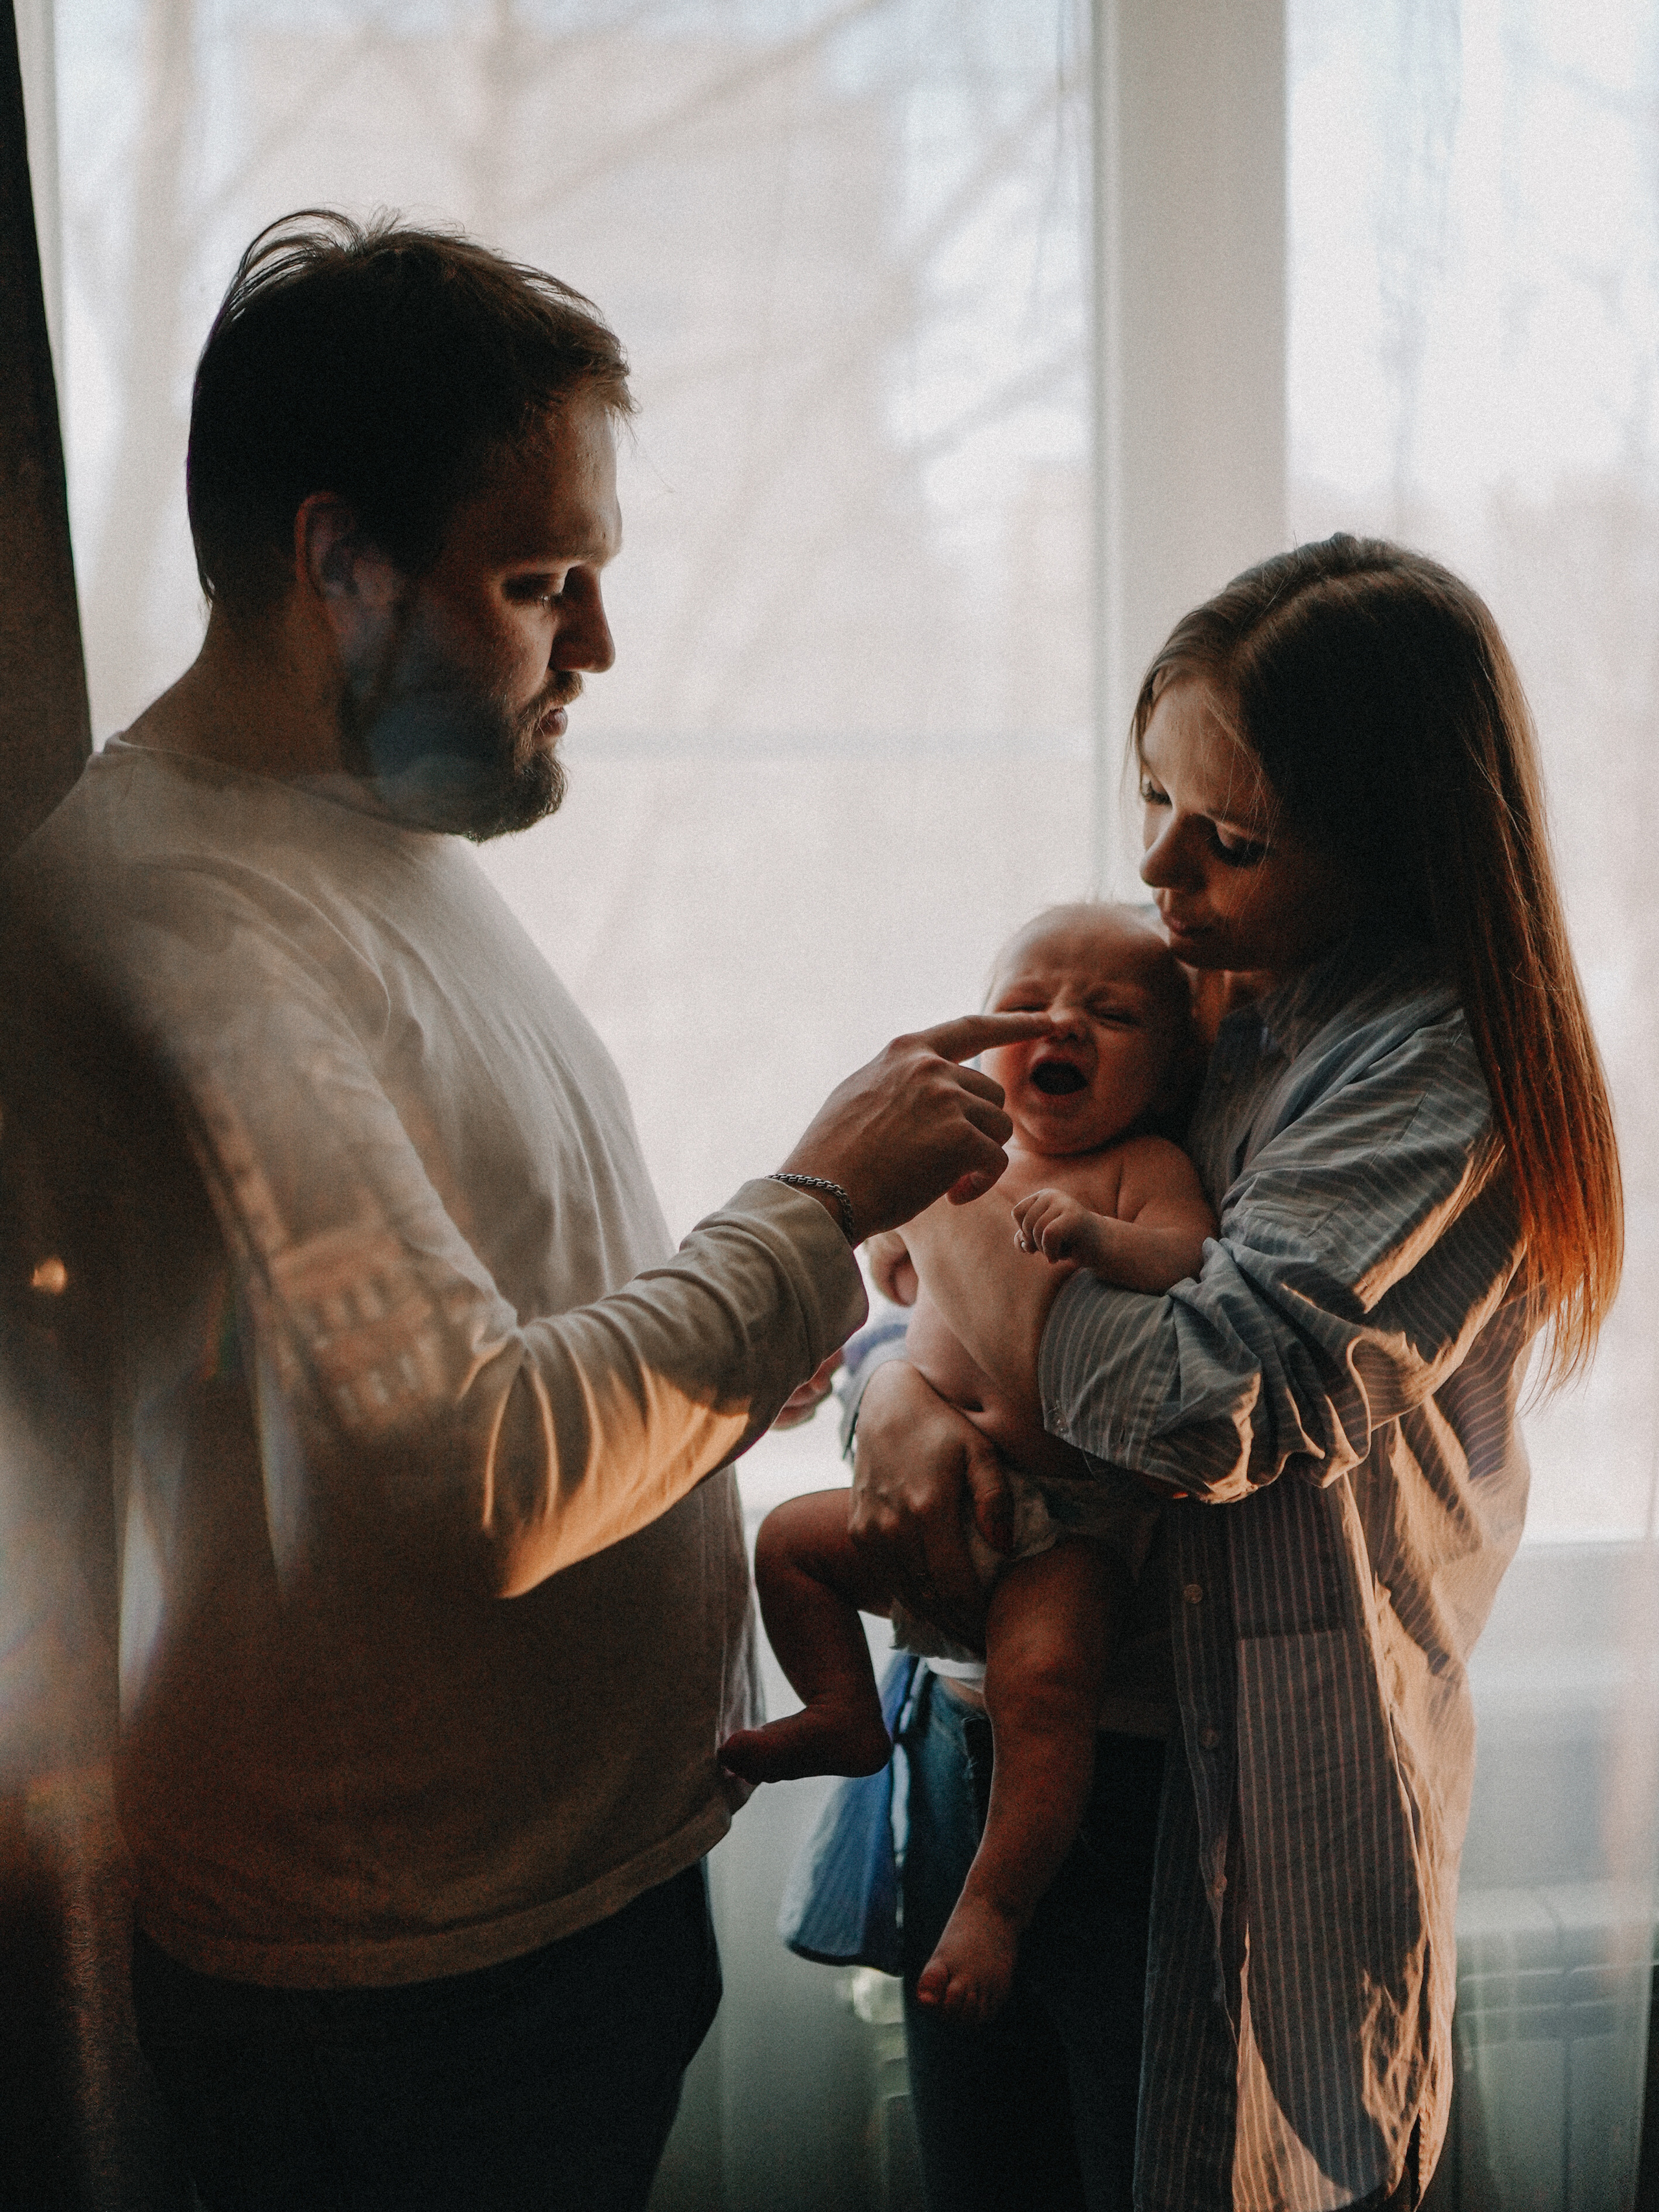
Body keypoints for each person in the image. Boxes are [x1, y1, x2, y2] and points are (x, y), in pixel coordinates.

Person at [2, 211, 1056, 2212]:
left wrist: (783, 1319)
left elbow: (453, 1328)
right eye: (541, 582)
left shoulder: (355, 833)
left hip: (529, 1923)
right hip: (413, 1997)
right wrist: (813, 1205)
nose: (599, 649)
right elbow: (476, 1474)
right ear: (338, 562)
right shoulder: (187, 926)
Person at [843, 535, 1623, 2212]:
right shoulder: (1199, 1008)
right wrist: (891, 1395)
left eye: (1230, 837)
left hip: (1206, 1792)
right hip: (982, 1740)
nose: (1156, 865)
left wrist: (932, 1193)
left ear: (1395, 840)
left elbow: (1196, 1403)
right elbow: (929, 1317)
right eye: (1154, 798)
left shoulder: (1428, 1067)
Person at [721, 903, 1214, 2026]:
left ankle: (995, 1901)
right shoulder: (956, 1164)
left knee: (1046, 1685)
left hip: (1064, 1525)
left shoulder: (1142, 1164)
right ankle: (843, 1706)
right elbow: (883, 1288)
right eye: (1029, 1004)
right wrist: (824, 1361)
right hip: (937, 1496)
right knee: (787, 1545)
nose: (1063, 1023)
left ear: (1171, 1065)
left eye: (1110, 1012)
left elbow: (1187, 1252)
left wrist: (1104, 1240)